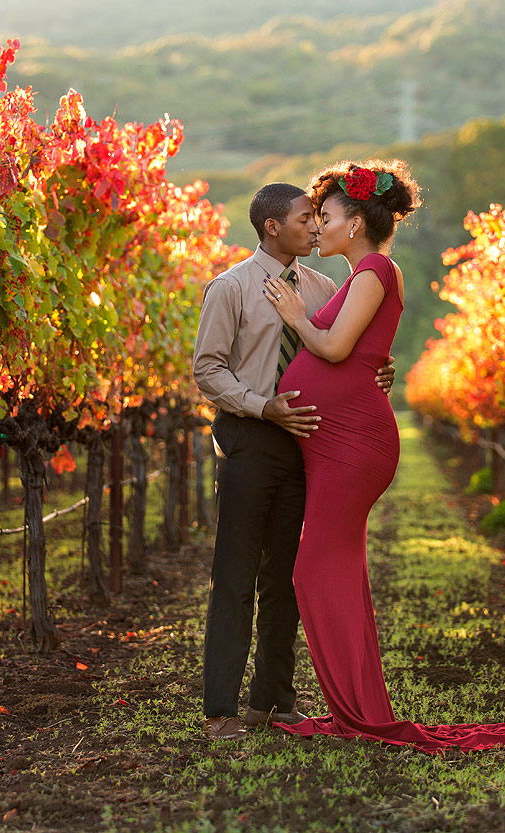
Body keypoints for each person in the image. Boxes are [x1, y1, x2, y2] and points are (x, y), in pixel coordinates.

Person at [263, 160, 505, 753]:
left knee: (314, 569)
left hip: (352, 444)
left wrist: (295, 317)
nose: (316, 227)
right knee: (338, 570)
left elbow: (335, 348)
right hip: (337, 442)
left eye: (326, 216)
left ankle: (356, 710)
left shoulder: (374, 271)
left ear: (355, 223)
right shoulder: (362, 276)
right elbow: (364, 353)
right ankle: (358, 707)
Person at [192, 183, 396, 741]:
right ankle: (220, 710)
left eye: (319, 217)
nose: (314, 227)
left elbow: (348, 350)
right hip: (251, 440)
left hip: (308, 444)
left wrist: (378, 370)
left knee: (285, 576)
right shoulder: (231, 287)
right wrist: (264, 406)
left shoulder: (324, 287)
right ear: (272, 227)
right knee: (235, 575)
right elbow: (208, 369)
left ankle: (273, 700)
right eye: (305, 218)